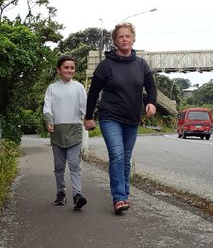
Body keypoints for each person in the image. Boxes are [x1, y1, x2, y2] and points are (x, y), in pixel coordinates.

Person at [84, 22, 157, 214]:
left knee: (125, 159)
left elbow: (151, 87)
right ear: (115, 41)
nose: (124, 39)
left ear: (133, 39)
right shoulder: (106, 65)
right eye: (120, 37)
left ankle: (124, 194)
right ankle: (119, 198)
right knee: (117, 155)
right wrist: (89, 117)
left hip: (132, 119)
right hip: (110, 117)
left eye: (127, 36)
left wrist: (151, 102)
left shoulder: (141, 64)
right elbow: (93, 92)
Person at [43, 55, 88, 210]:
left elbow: (85, 106)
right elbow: (47, 107)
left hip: (74, 131)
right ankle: (61, 193)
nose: (69, 70)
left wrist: (89, 119)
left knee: (75, 165)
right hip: (57, 132)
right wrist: (49, 120)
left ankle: (77, 195)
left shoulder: (78, 87)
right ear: (59, 70)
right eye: (66, 67)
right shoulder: (52, 88)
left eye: (72, 68)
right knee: (59, 166)